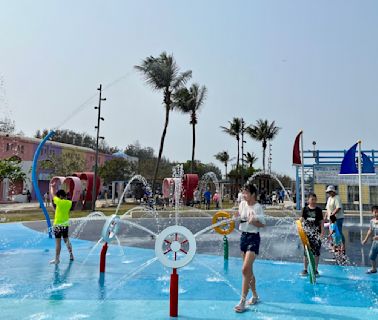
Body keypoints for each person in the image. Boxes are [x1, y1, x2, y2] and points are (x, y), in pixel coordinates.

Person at [233, 183, 266, 313]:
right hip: (243, 238)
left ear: (253, 194)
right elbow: (239, 216)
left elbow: (263, 224)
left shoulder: (258, 207)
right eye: (243, 192)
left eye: (246, 192)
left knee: (245, 269)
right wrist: (234, 217)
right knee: (249, 271)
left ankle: (242, 301)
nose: (243, 195)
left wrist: (254, 222)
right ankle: (255, 295)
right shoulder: (242, 204)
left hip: (253, 238)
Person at [300, 193, 324, 276]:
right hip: (307, 234)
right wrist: (300, 229)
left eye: (315, 199)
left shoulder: (319, 210)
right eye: (312, 199)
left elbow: (321, 222)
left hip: (316, 233)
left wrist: (322, 232)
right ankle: (305, 269)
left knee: (316, 252)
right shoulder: (305, 209)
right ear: (308, 200)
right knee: (306, 252)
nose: (313, 201)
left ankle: (315, 269)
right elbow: (302, 220)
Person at [50, 189, 74, 265]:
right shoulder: (69, 203)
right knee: (67, 240)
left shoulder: (59, 202)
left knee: (58, 243)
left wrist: (51, 187)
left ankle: (57, 259)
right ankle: (71, 255)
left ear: (60, 196)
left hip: (57, 225)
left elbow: (52, 195)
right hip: (65, 225)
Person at [325, 185, 345, 252]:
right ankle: (335, 247)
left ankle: (342, 246)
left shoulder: (337, 198)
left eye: (330, 192)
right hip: (331, 219)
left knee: (338, 232)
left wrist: (332, 214)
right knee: (333, 233)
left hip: (338, 218)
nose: (329, 193)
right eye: (328, 192)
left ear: (333, 191)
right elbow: (327, 209)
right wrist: (325, 217)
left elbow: (338, 208)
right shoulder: (329, 199)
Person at [362, 205, 378, 274]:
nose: (377, 213)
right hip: (375, 242)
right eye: (375, 212)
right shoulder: (372, 221)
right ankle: (374, 268)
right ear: (372, 212)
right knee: (371, 256)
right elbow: (370, 230)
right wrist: (365, 239)